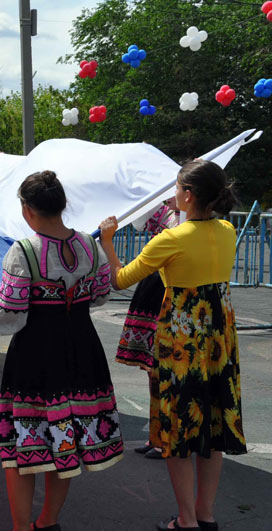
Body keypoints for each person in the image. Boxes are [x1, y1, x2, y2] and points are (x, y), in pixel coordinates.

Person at [0, 170, 122, 531]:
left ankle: (20, 526)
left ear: (28, 210)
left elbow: (8, 313)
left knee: (20, 447)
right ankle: (46, 523)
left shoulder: (24, 251)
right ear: (62, 206)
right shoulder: (90, 247)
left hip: (36, 356)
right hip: (81, 351)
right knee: (65, 443)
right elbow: (102, 293)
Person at [98, 160, 245, 531]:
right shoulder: (228, 230)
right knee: (213, 428)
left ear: (188, 195)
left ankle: (186, 519)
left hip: (182, 342)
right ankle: (205, 515)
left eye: (177, 188)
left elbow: (119, 280)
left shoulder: (171, 239)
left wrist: (107, 241)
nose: (173, 193)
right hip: (219, 341)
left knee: (177, 431)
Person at [116, 200, 180, 460]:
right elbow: (137, 218)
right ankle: (157, 435)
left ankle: (168, 437)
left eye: (177, 188)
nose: (170, 194)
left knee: (165, 373)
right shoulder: (166, 212)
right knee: (154, 372)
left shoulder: (182, 221)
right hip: (154, 290)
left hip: (167, 295)